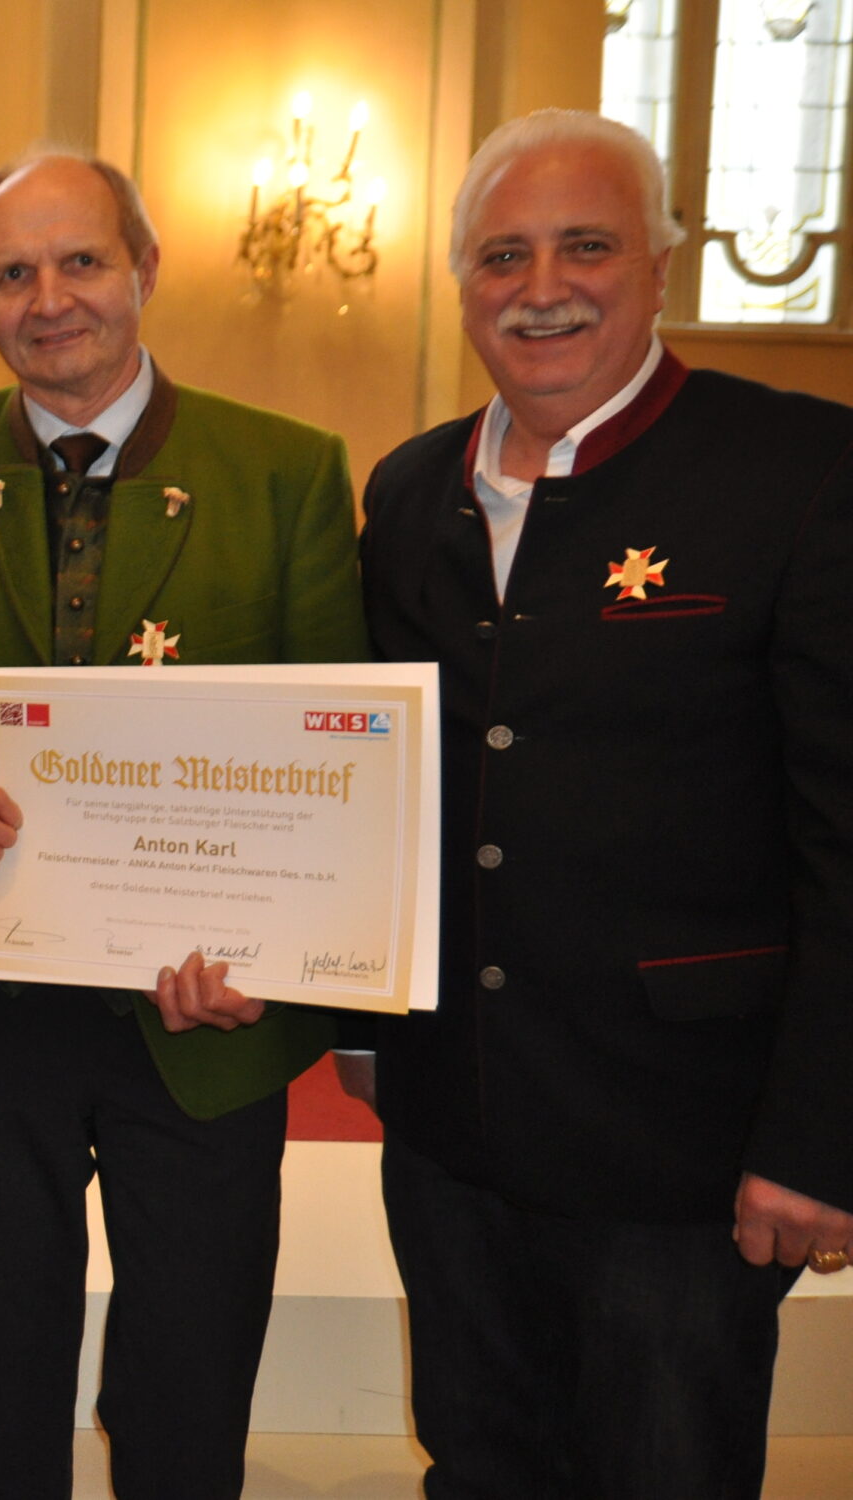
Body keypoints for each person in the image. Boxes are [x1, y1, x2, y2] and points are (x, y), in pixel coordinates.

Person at [350, 108, 853, 1499]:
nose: (542, 286)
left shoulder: (798, 472)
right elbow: (373, 782)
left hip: (683, 1142)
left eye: (585, 246)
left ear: (661, 265)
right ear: (462, 283)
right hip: (453, 1125)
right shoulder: (410, 488)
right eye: (502, 254)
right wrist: (354, 1011)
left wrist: (821, 1134)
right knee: (477, 1465)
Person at [0, 151, 366, 1499]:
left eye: (81, 261)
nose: (49, 300)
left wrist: (275, 957)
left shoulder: (285, 472)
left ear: (144, 268)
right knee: (2, 1387)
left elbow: (340, 753)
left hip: (203, 1013)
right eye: (11, 273)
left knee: (189, 1392)